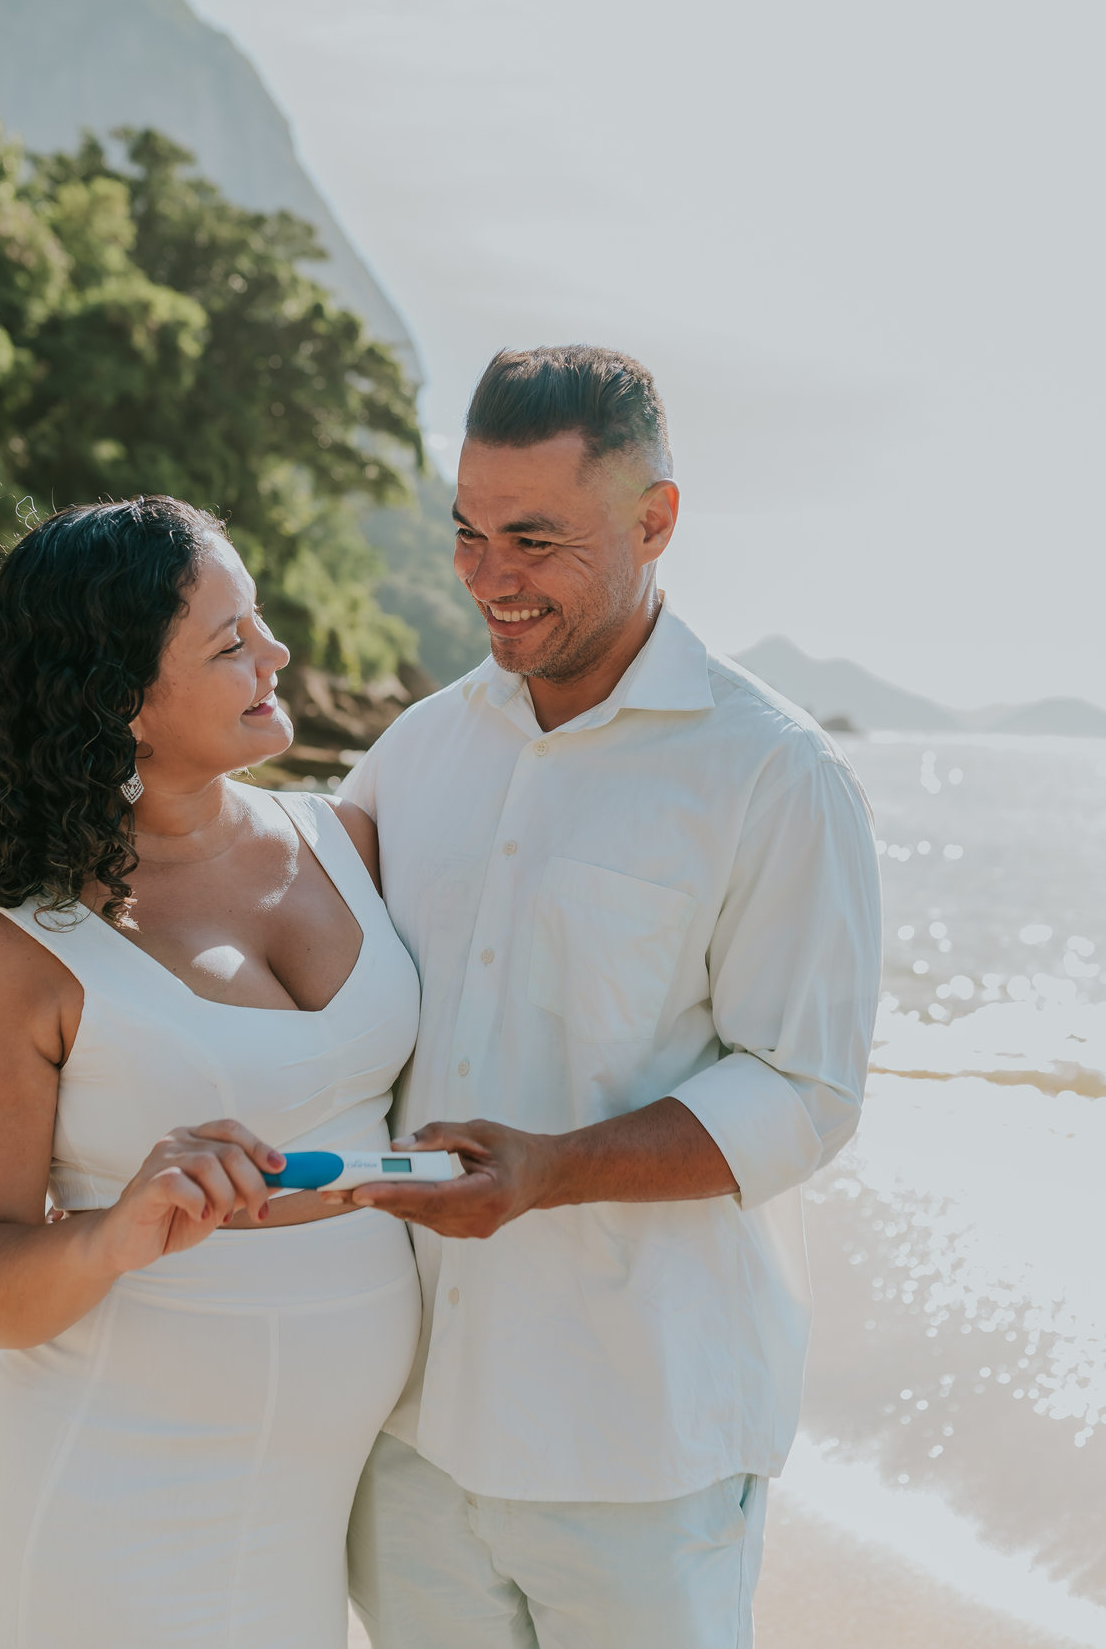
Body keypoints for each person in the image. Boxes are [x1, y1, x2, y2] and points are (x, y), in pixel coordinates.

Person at [335, 346, 883, 1649]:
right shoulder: (414, 752)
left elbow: (803, 1091)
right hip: (407, 1430)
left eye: (535, 539)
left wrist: (552, 1170)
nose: (489, 576)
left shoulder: (775, 776)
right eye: (468, 532)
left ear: (655, 521)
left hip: (643, 1446)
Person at [0, 497, 422, 1648]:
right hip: (113, 1514)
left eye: (259, 620)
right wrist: (110, 1236)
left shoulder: (350, 841)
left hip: (313, 1522)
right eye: (231, 641)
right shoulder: (7, 956)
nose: (275, 654)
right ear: (122, 701)